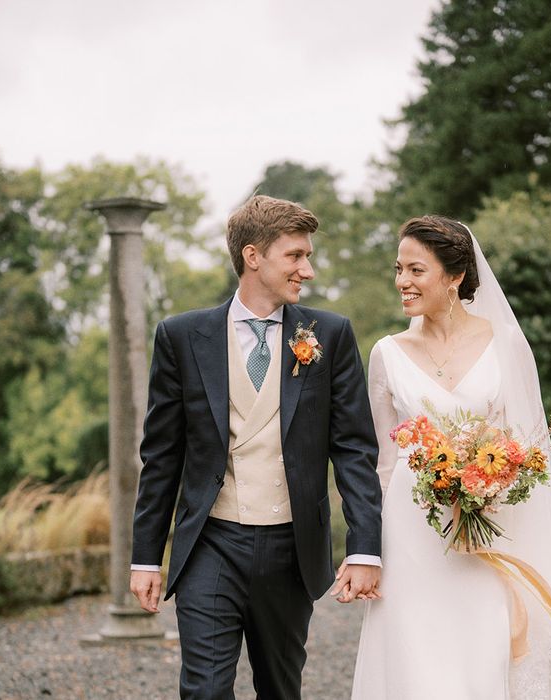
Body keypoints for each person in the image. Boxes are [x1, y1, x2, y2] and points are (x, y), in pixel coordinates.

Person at [130, 195, 383, 700]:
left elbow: (353, 449)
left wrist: (364, 547)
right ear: (253, 256)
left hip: (292, 549)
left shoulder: (329, 335)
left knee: (280, 689)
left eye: (307, 256)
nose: (307, 270)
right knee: (203, 691)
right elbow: (162, 455)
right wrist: (145, 557)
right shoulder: (180, 336)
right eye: (295, 256)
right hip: (210, 544)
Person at [352, 216, 551, 699]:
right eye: (398, 269)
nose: (402, 281)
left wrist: (493, 490)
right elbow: (382, 460)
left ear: (454, 276)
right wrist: (369, 551)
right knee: (415, 660)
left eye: (416, 270)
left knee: (484, 653)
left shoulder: (506, 344)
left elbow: (527, 450)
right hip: (410, 536)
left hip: (489, 534)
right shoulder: (386, 353)